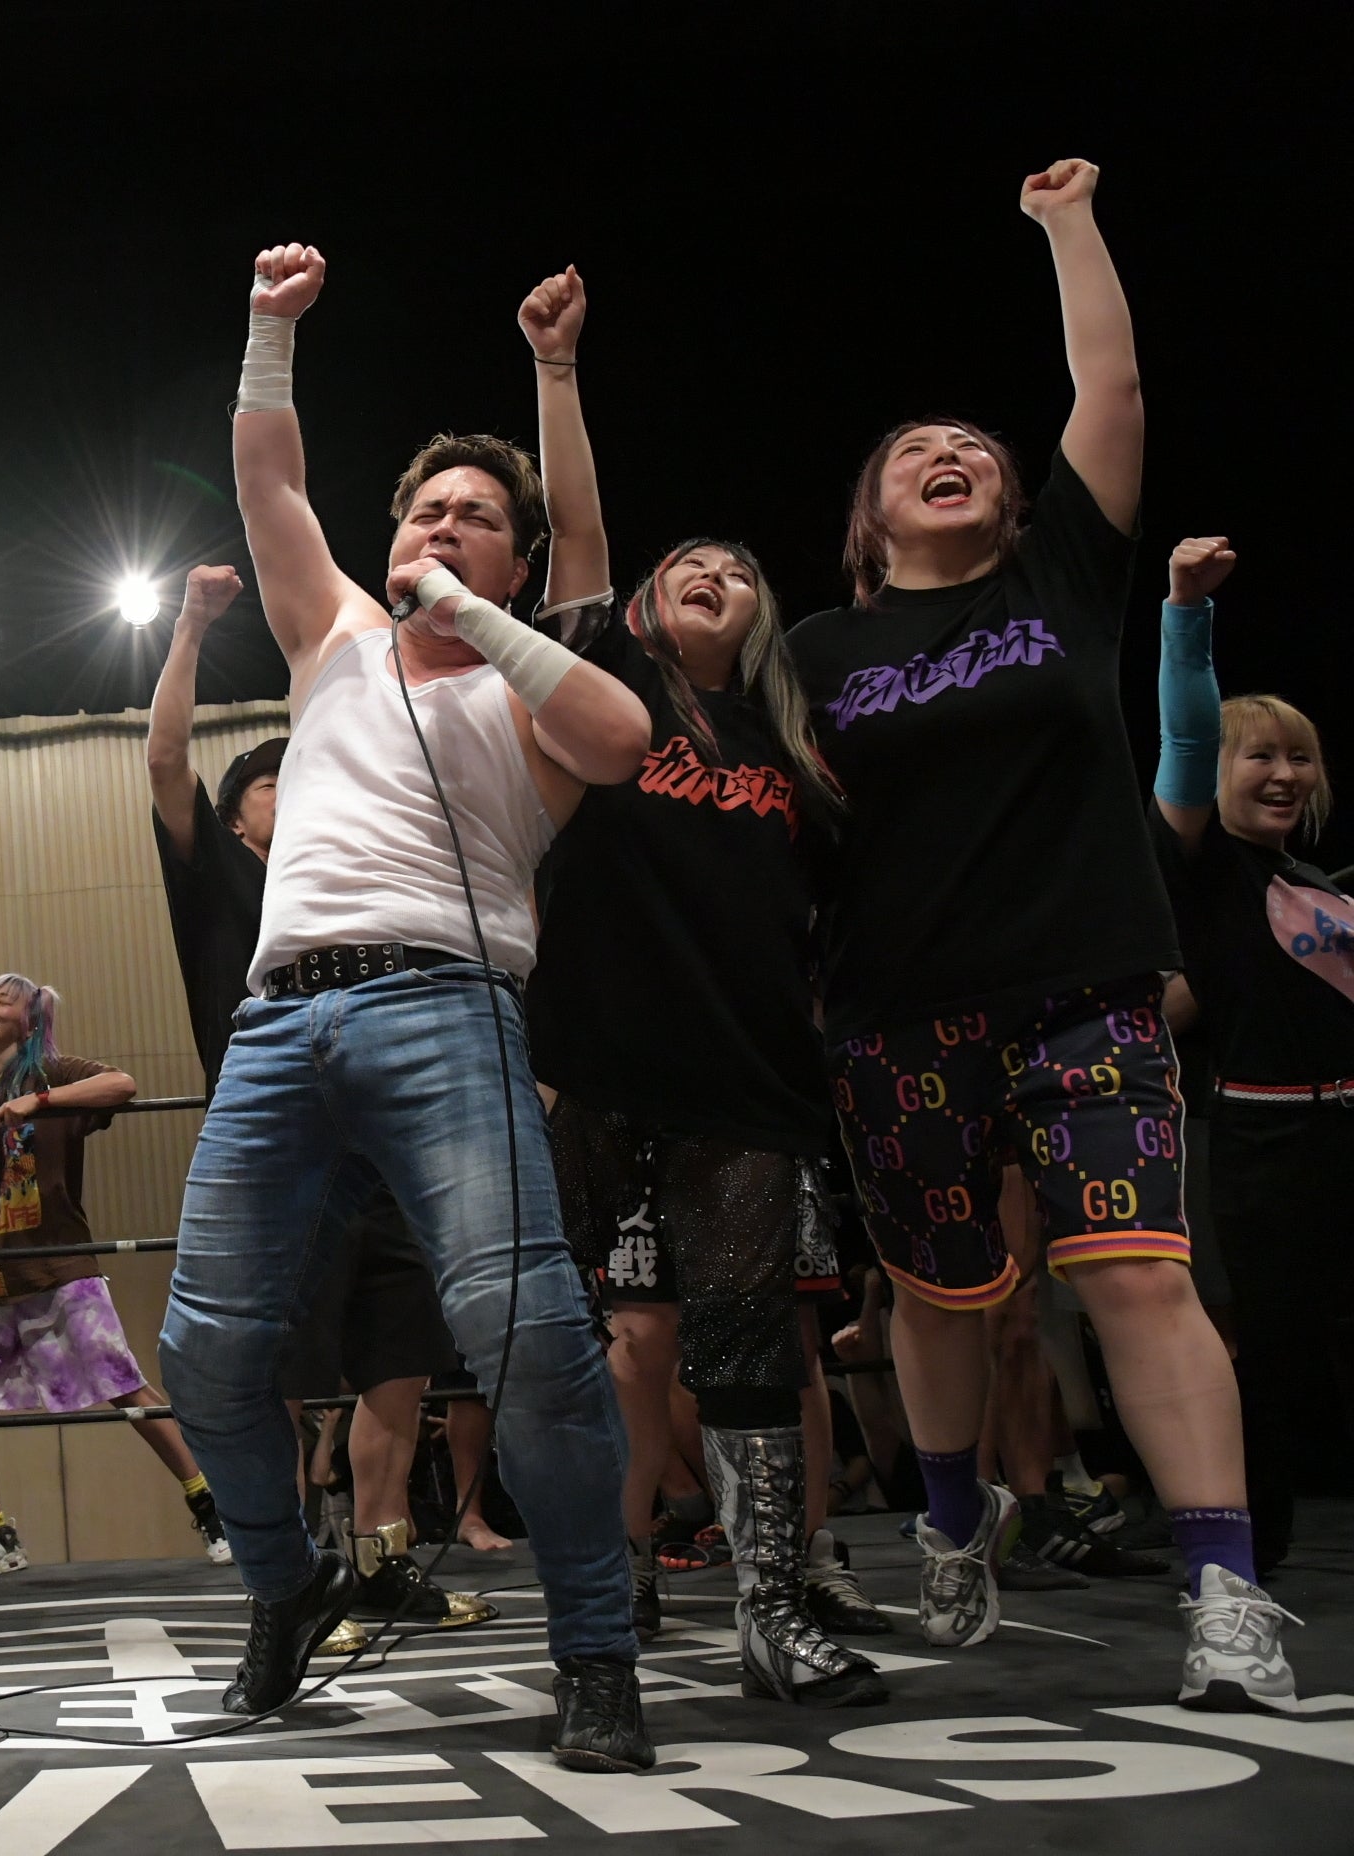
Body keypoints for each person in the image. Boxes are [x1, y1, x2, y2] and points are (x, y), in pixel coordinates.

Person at [786, 159, 1290, 1710]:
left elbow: (1112, 385)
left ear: (1016, 498)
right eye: (913, 453)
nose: (949, 456)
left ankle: (1227, 1598)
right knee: (943, 1293)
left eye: (974, 450)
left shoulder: (1064, 578)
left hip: (1086, 991)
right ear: (868, 519)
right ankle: (953, 1524)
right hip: (896, 1014)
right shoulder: (815, 651)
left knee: (1140, 1279)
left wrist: (1067, 223)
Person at [160, 241, 655, 1770]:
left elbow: (624, 739)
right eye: (425, 509)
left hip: (446, 1007)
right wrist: (267, 330)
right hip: (279, 1026)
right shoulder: (334, 638)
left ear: (516, 563)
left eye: (476, 517)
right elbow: (267, 479)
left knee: (529, 1336)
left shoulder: (533, 682)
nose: (441, 524)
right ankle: (283, 1582)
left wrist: (478, 598)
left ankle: (596, 1648)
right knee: (205, 1353)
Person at [511, 270, 885, 1706]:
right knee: (576, 1334)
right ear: (650, 604)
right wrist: (558, 371)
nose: (711, 569)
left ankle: (772, 1609)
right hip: (598, 1059)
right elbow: (581, 539)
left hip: (746, 1079)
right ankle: (601, 1592)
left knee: (746, 1341)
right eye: (689, 563)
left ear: (763, 606)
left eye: (736, 564)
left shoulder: (797, 745)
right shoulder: (608, 682)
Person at [147, 570, 490, 1631]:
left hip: (386, 1138)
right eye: (271, 777)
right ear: (238, 813)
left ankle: (383, 1560)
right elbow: (164, 760)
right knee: (277, 1371)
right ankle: (297, 1585)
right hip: (280, 1145)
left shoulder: (366, 870)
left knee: (400, 1357)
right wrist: (191, 626)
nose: (296, 780)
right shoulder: (221, 871)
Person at [1148, 537, 1351, 1600]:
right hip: (1253, 1142)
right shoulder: (1202, 864)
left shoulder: (1321, 884)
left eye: (1300, 757)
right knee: (1264, 1356)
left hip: (1340, 1133)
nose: (1283, 773)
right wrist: (1187, 613)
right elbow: (1186, 731)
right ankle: (1242, 1562)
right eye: (1260, 756)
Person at [0, 975, 225, 1575]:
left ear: (30, 1020)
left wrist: (41, 1102)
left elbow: (123, 1084)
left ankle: (211, 1505)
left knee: (123, 1383)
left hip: (56, 1266)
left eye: (3, 1001)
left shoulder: (52, 1071)